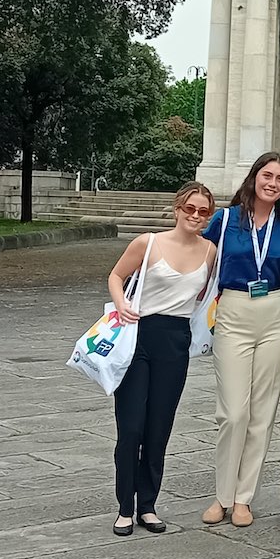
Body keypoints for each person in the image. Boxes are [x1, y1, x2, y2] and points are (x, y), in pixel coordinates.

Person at [104, 183, 218, 537]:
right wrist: (121, 301)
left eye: (203, 212)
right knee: (132, 426)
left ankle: (148, 505)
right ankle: (125, 506)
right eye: (190, 208)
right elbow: (116, 275)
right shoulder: (148, 242)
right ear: (177, 208)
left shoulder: (211, 251)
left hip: (176, 339)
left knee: (159, 428)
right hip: (138, 335)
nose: (195, 216)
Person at [202, 152, 280, 527]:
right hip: (234, 310)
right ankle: (221, 495)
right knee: (233, 412)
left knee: (262, 411)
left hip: (277, 311)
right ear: (254, 177)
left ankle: (243, 498)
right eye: (267, 175)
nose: (273, 183)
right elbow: (200, 262)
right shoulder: (225, 220)